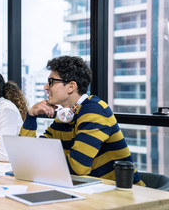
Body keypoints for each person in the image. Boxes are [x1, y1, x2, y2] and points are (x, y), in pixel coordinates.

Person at [20, 56, 145, 186]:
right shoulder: (65, 118)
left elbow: (78, 167)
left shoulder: (95, 110)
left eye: (51, 82)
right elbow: (26, 156)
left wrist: (39, 164)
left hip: (123, 195)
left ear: (71, 86)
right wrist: (31, 116)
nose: (46, 87)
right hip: (90, 190)